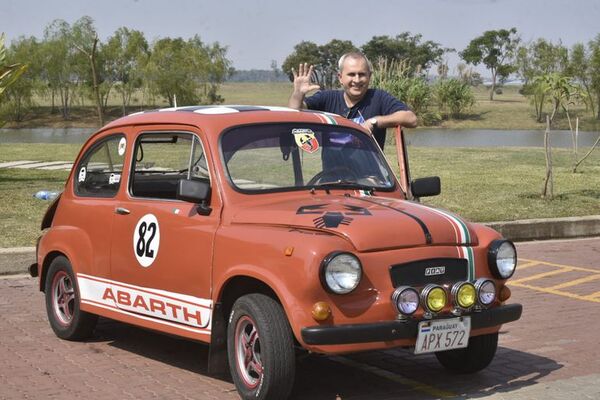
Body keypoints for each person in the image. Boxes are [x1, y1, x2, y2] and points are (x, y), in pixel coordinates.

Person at [288, 52, 418, 150]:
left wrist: (375, 122)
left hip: (371, 179)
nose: (357, 80)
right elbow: (294, 113)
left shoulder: (378, 98)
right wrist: (298, 94)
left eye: (362, 74)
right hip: (333, 179)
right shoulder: (327, 98)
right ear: (340, 77)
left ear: (369, 76)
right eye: (351, 74)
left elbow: (411, 119)